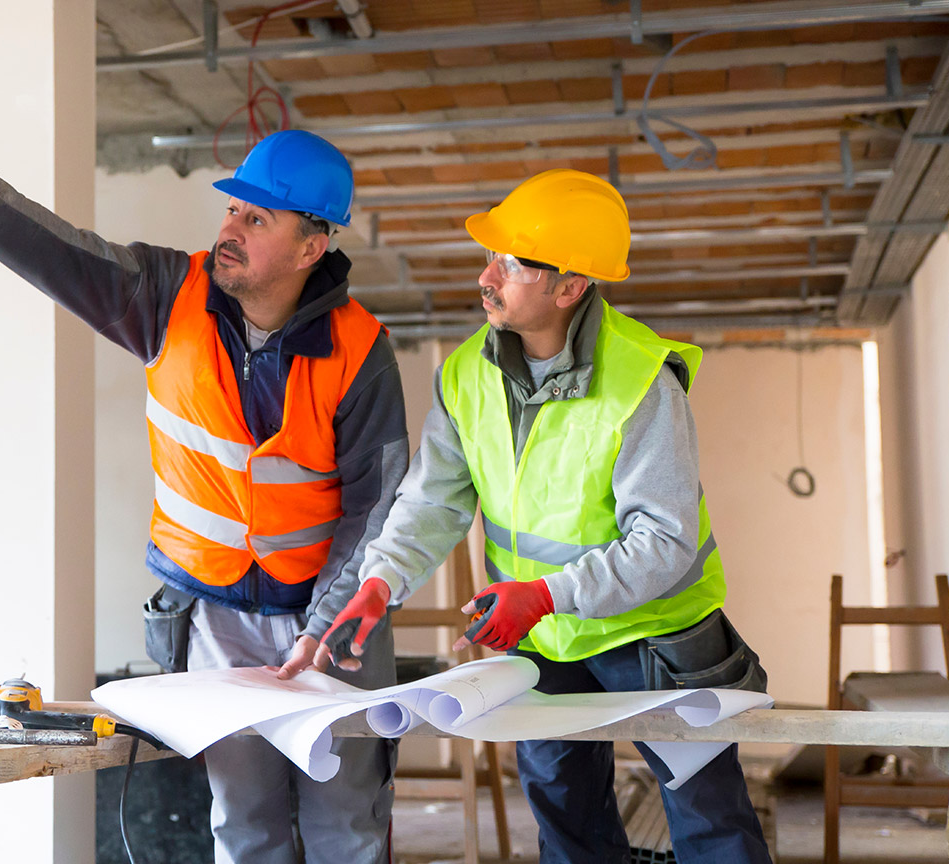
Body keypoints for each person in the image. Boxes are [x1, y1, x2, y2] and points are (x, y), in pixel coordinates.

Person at [0, 103, 407, 864]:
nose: (231, 227)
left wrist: (325, 623)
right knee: (243, 826)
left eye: (258, 219)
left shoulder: (362, 351)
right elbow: (60, 253)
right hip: (216, 618)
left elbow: (377, 509)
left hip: (333, 620)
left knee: (345, 830)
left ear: (311, 246)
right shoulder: (164, 294)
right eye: (232, 208)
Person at [320, 168, 773, 863]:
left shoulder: (643, 379)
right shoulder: (467, 371)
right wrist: (381, 581)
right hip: (546, 643)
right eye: (492, 255)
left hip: (657, 635)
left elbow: (665, 541)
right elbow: (434, 497)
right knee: (566, 824)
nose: (488, 275)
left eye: (514, 262)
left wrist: (544, 594)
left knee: (709, 823)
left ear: (570, 287)